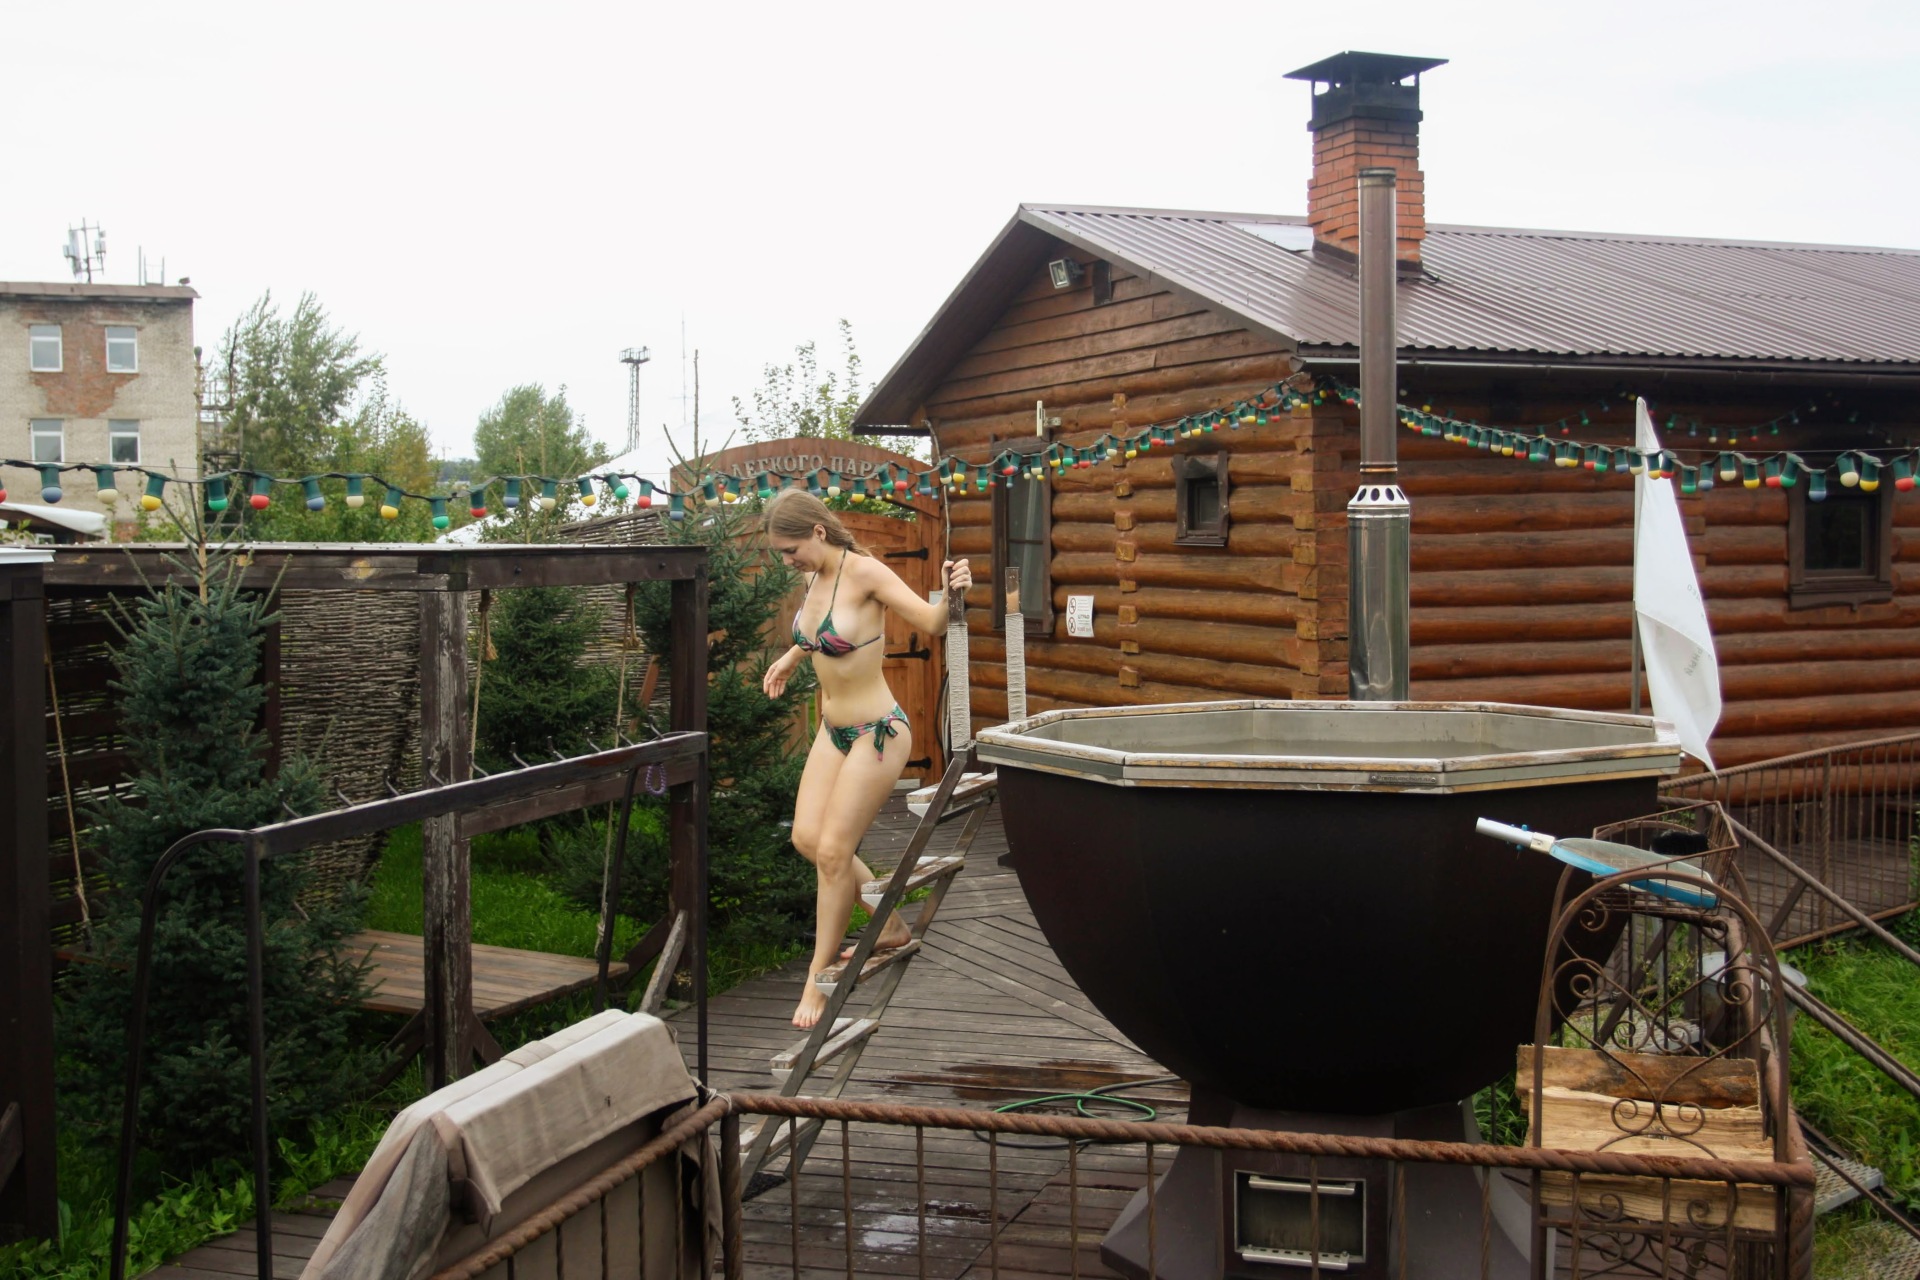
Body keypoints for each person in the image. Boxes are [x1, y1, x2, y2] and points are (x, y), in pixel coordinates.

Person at [760, 488, 971, 1030]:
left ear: (818, 532)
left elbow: (934, 623)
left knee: (834, 852)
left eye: (790, 550)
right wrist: (790, 656)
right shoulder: (814, 577)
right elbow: (820, 632)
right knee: (806, 839)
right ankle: (889, 924)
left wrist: (954, 591)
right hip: (833, 730)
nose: (787, 561)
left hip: (878, 733)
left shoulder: (867, 573)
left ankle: (818, 976)